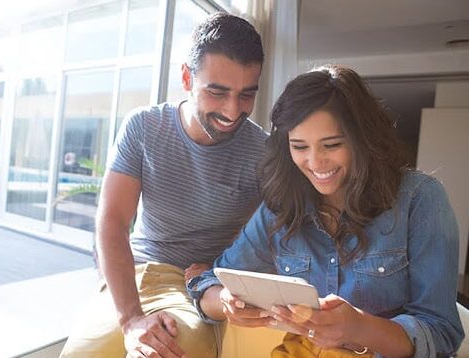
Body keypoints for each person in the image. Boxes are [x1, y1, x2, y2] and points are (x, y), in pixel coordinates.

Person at [189, 65, 464, 357]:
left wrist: (360, 327)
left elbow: (441, 331)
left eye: (331, 145)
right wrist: (227, 302)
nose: (315, 162)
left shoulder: (420, 199)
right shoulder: (281, 207)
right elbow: (211, 281)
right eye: (299, 146)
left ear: (363, 139)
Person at [59, 12, 267, 358]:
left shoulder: (264, 151)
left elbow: (273, 235)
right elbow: (111, 221)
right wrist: (130, 320)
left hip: (196, 288)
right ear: (187, 77)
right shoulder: (144, 127)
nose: (233, 111)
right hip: (136, 275)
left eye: (246, 95)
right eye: (217, 93)